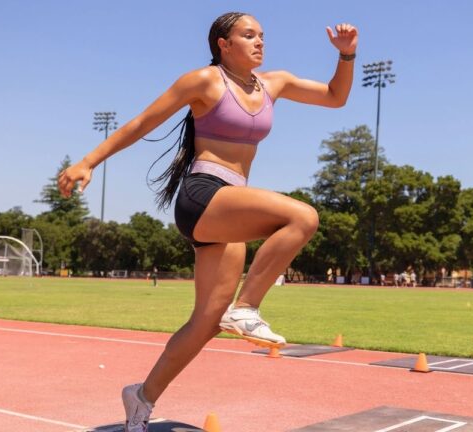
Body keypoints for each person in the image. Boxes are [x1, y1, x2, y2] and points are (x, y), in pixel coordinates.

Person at [58, 12, 357, 432]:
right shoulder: (204, 81)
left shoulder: (274, 84)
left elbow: (335, 96)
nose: (260, 42)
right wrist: (88, 162)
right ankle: (247, 307)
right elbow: (141, 123)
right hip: (203, 195)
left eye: (262, 35)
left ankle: (141, 398)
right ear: (224, 44)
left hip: (230, 207)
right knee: (303, 216)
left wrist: (347, 56)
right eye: (249, 35)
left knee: (206, 323)